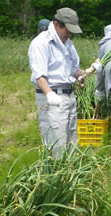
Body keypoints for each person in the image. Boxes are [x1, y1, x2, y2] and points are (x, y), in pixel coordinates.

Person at [28, 8, 88, 158]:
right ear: (56, 24)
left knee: (72, 141)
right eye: (67, 30)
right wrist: (49, 94)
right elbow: (39, 75)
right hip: (52, 98)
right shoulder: (41, 43)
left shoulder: (68, 44)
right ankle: (56, 176)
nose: (69, 34)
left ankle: (71, 174)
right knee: (56, 142)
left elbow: (74, 70)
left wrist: (88, 72)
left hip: (69, 96)